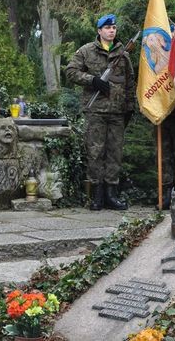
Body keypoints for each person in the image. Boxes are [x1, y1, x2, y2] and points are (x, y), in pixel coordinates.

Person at [65, 13, 135, 210]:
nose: (111, 31)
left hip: (117, 112)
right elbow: (71, 71)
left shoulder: (124, 55)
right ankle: (96, 196)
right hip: (95, 110)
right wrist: (93, 80)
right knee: (95, 152)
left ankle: (111, 195)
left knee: (115, 153)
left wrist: (130, 107)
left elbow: (130, 83)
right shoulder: (86, 51)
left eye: (113, 28)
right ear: (99, 31)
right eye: (107, 28)